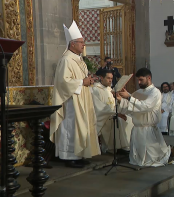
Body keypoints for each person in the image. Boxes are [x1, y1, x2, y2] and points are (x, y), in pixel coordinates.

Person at [50, 21, 100, 168]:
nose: (83, 45)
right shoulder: (66, 60)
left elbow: (81, 78)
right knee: (71, 126)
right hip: (71, 100)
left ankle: (78, 154)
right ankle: (68, 156)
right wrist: (81, 82)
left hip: (82, 97)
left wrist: (88, 80)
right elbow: (63, 82)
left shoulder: (79, 60)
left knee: (82, 126)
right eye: (81, 42)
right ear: (72, 44)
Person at [116, 68, 174, 167]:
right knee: (137, 158)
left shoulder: (155, 92)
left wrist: (129, 97)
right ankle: (167, 151)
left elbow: (145, 106)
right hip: (137, 129)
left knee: (152, 157)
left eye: (141, 80)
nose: (139, 82)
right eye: (138, 80)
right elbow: (130, 108)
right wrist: (120, 100)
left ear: (149, 78)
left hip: (148, 129)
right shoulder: (138, 92)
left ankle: (169, 152)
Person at [90, 69, 133, 153]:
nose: (110, 80)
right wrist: (116, 113)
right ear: (101, 78)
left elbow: (114, 105)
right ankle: (115, 148)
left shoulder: (110, 90)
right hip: (102, 118)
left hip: (111, 114)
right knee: (118, 120)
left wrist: (119, 100)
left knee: (130, 119)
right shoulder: (95, 90)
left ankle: (125, 146)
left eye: (111, 78)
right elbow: (99, 108)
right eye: (108, 78)